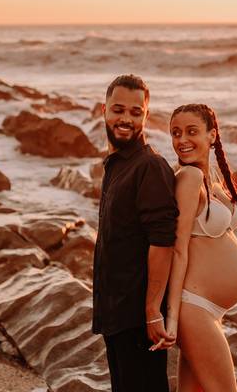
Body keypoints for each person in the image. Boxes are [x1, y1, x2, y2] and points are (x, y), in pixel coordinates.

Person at [92, 74, 179, 392]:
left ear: (145, 114)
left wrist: (152, 311)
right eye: (118, 110)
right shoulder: (117, 165)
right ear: (103, 110)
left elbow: (163, 242)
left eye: (135, 112)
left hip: (138, 318)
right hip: (116, 314)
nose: (125, 119)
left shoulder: (149, 167)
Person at [164, 103, 237, 392]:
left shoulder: (212, 177)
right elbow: (177, 250)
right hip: (194, 307)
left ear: (212, 135)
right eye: (176, 133)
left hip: (206, 309)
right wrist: (173, 318)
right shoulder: (188, 179)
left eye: (192, 131)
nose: (182, 139)